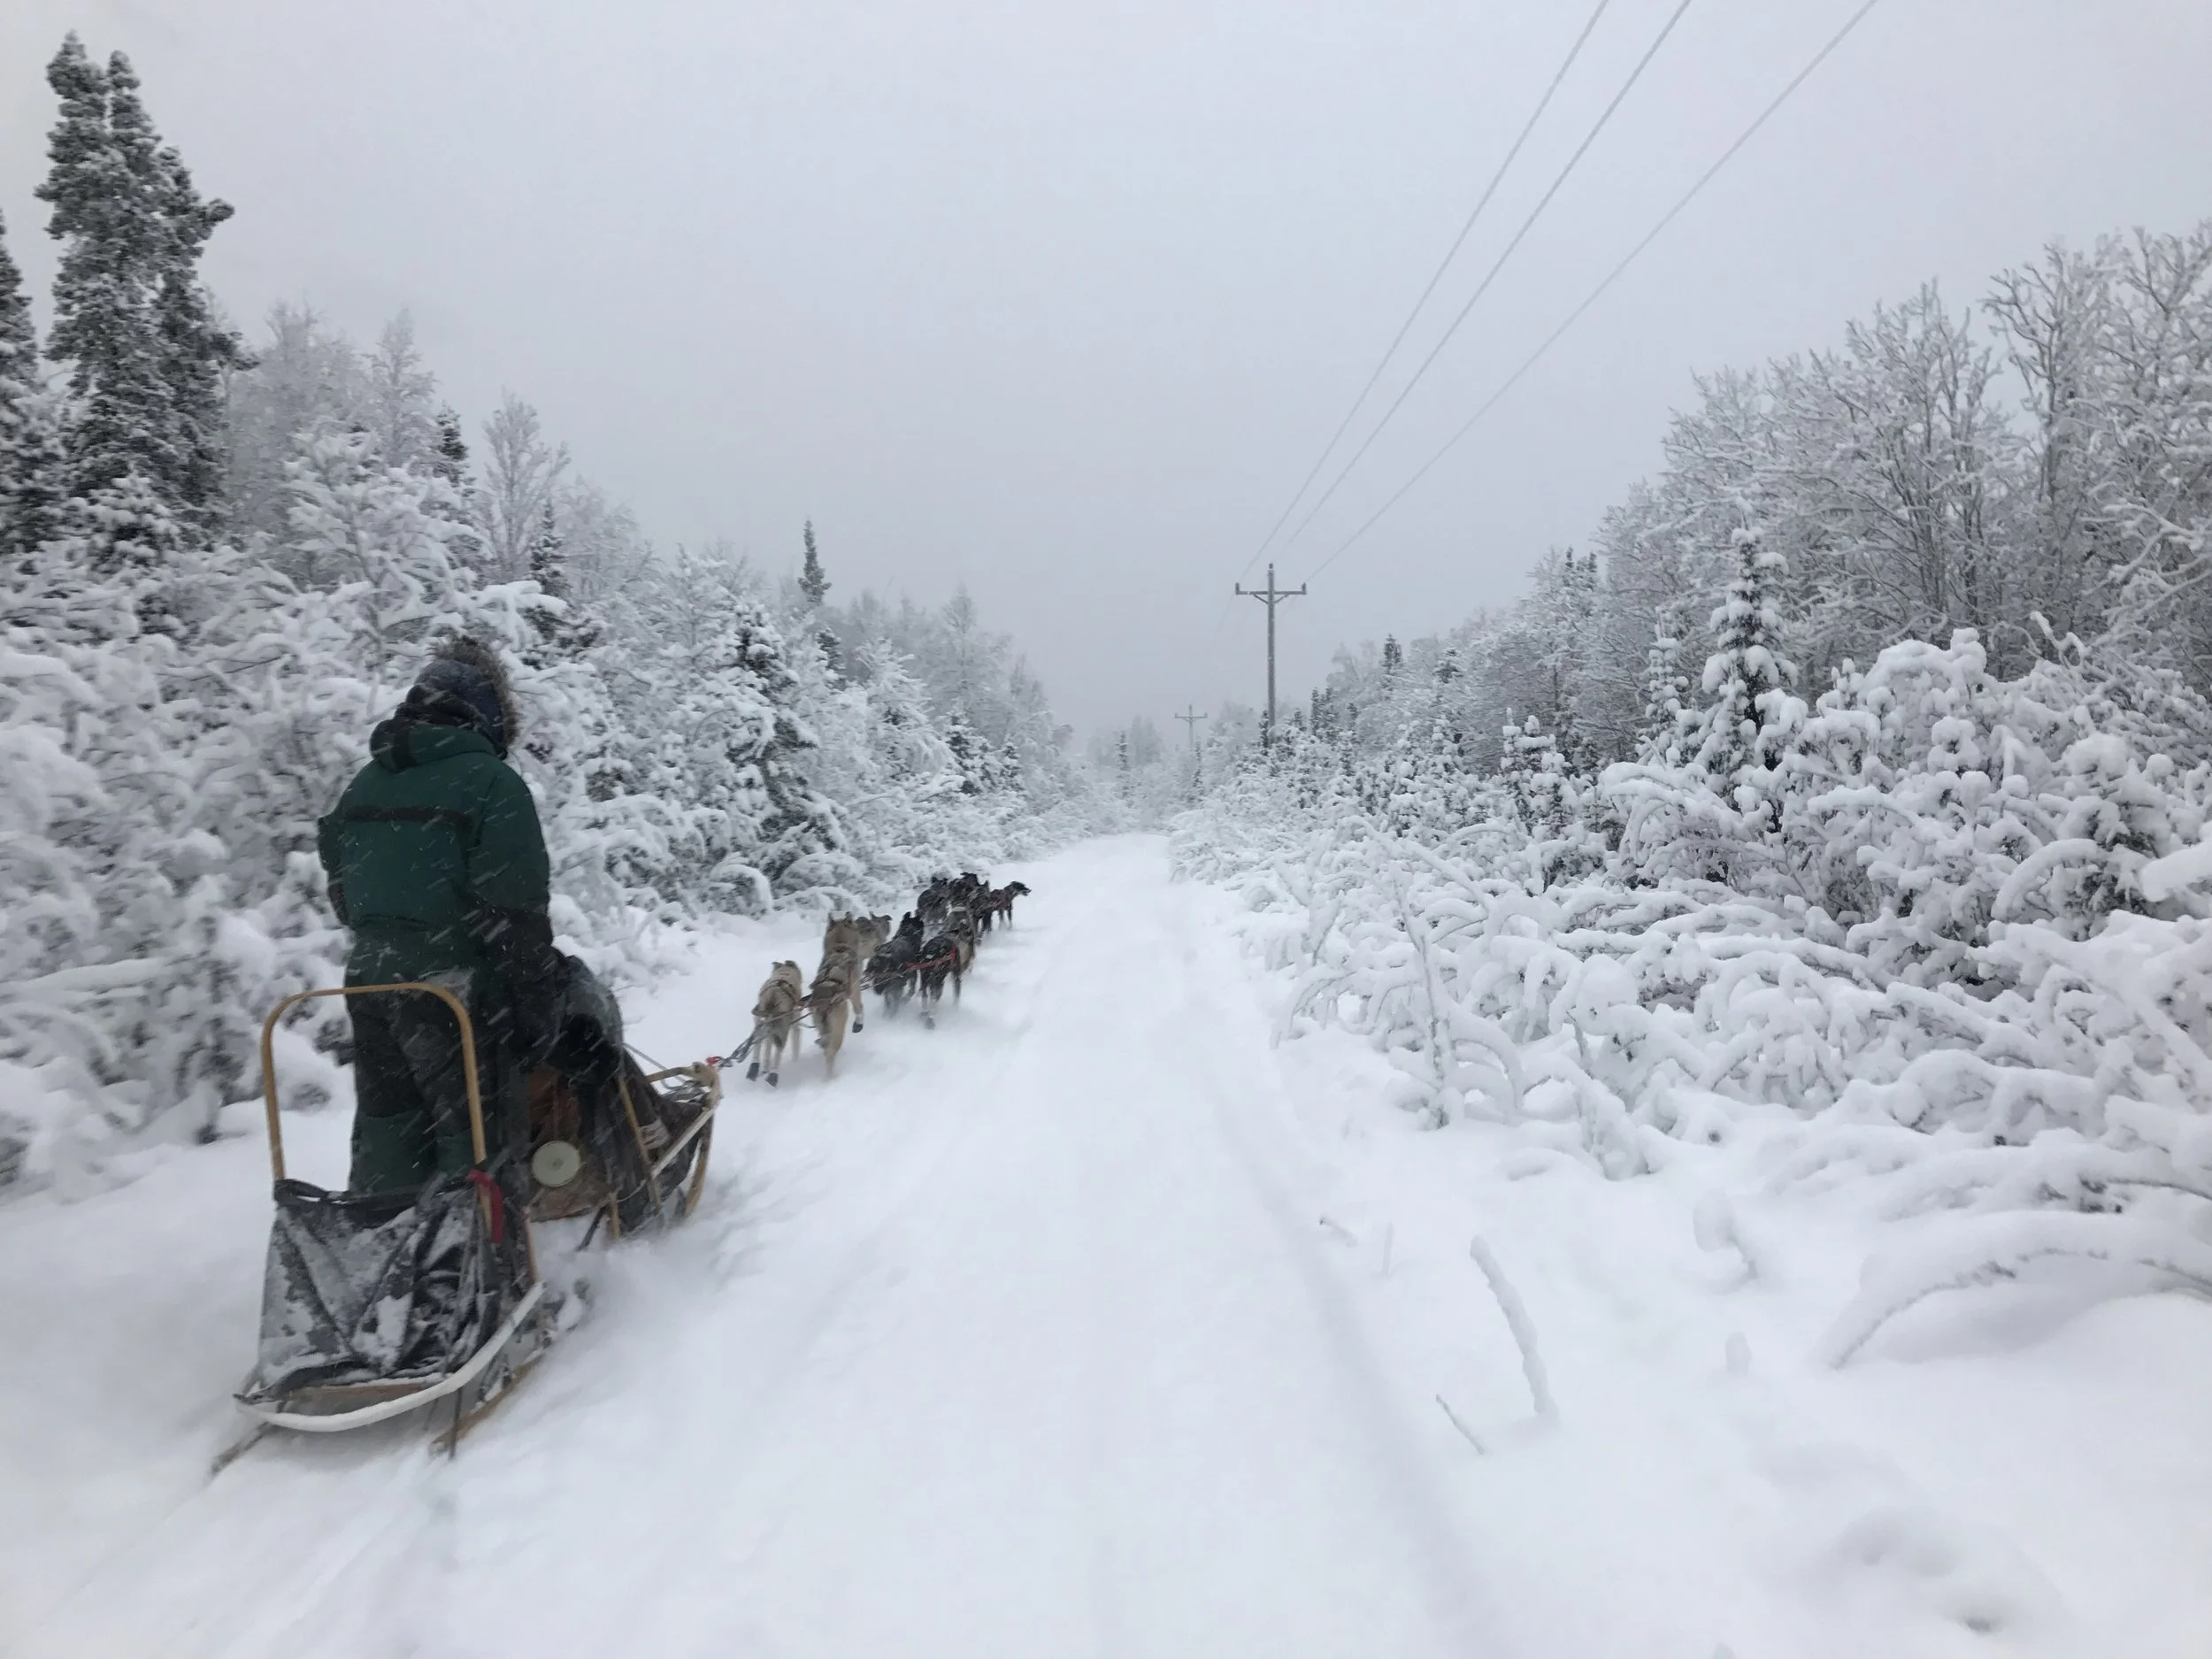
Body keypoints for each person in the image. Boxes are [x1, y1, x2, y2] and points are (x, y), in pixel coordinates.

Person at [316, 637, 561, 1195]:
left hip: (368, 984)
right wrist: (535, 1006)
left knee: (388, 1130)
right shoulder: (491, 784)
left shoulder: (365, 783)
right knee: (474, 1138)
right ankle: (477, 1268)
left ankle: (383, 1251)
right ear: (489, 714)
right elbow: (515, 912)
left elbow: (346, 897)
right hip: (453, 995)